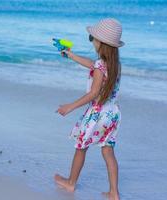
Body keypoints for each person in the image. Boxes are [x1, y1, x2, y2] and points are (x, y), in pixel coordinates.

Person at [54, 18, 124, 200]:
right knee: (108, 151)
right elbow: (92, 64)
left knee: (80, 147)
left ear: (101, 42)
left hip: (97, 113)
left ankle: (71, 183)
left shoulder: (101, 65)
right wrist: (70, 55)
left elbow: (93, 94)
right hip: (112, 114)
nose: (92, 41)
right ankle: (114, 193)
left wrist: (70, 107)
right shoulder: (114, 64)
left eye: (92, 38)